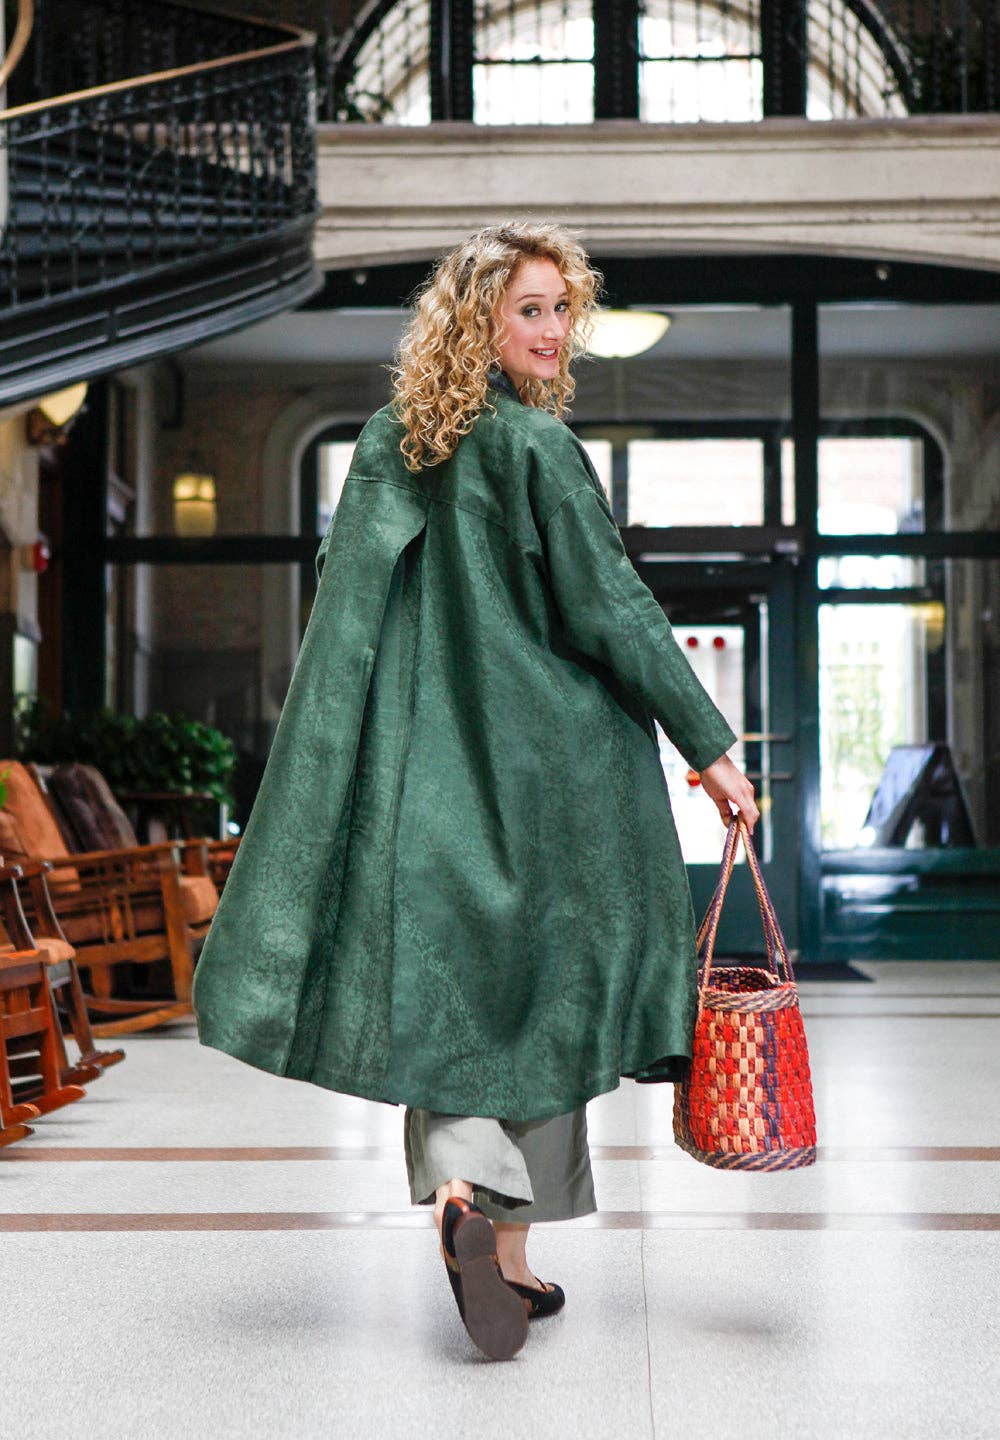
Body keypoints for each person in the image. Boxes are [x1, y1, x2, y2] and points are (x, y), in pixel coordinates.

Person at [192, 221, 758, 1363]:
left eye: (562, 309)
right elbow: (612, 608)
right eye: (530, 310)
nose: (554, 332)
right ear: (478, 320)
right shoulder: (540, 450)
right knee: (545, 999)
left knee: (450, 998)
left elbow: (346, 610)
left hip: (424, 778)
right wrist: (709, 747)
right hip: (554, 779)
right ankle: (500, 1238)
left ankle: (473, 1207)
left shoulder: (386, 444)